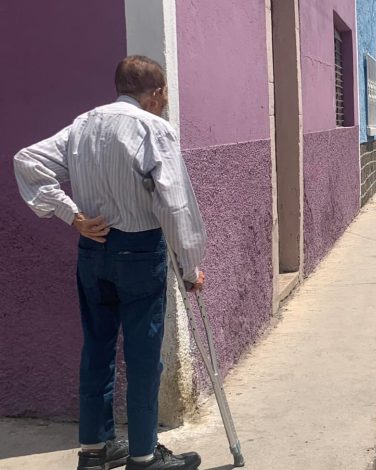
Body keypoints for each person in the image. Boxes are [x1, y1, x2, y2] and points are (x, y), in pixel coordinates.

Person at [14, 56, 206, 470]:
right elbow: (175, 204)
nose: (165, 101)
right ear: (155, 93)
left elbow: (27, 160)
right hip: (138, 250)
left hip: (94, 250)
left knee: (97, 348)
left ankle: (95, 450)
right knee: (142, 354)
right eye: (165, 94)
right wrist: (191, 267)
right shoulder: (153, 128)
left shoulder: (83, 124)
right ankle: (143, 454)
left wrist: (73, 217)